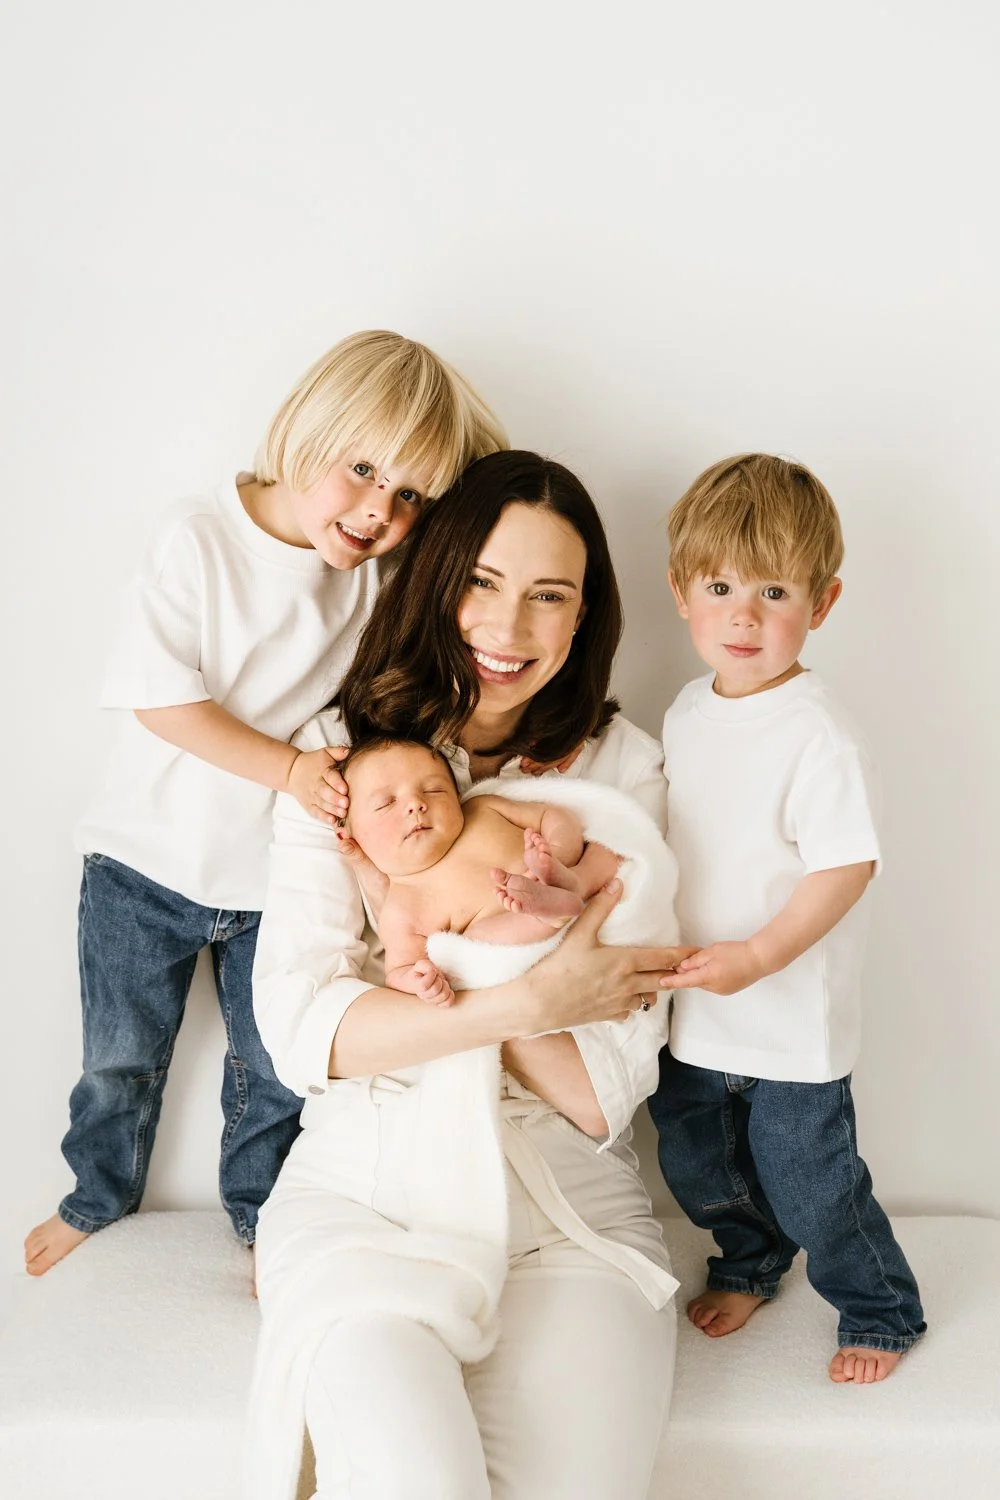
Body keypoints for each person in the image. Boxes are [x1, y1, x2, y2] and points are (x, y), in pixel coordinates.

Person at [249, 450, 692, 1500]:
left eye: (550, 597)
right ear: (437, 582)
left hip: (569, 1215)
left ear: (583, 620)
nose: (507, 627)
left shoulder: (620, 772)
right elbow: (306, 1029)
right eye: (483, 584)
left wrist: (457, 1002)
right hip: (367, 1189)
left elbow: (598, 1093)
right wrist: (530, 1001)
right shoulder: (338, 760)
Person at [25, 330, 506, 1276]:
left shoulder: (375, 575)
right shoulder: (199, 539)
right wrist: (288, 768)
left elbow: (482, 508)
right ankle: (97, 1194)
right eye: (363, 469)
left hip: (269, 884)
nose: (378, 511)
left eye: (409, 493)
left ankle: (260, 1219)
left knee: (276, 1073)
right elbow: (162, 698)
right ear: (304, 431)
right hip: (142, 864)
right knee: (118, 1059)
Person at [647, 452, 925, 1384]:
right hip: (694, 1009)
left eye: (774, 591)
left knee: (814, 1184)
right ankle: (749, 1261)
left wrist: (761, 954)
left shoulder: (819, 732)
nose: (743, 615)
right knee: (698, 1164)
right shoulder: (687, 712)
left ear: (823, 602)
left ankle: (880, 1306)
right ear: (682, 591)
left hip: (788, 1021)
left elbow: (846, 865)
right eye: (721, 586)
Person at [336, 735, 621, 1005]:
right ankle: (548, 913)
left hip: (567, 871)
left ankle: (565, 882)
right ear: (352, 834)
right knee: (478, 941)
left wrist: (558, 851)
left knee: (608, 847)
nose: (415, 804)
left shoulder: (483, 808)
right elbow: (400, 969)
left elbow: (551, 815)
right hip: (521, 936)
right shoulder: (400, 909)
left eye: (434, 789)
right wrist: (420, 982)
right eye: (386, 803)